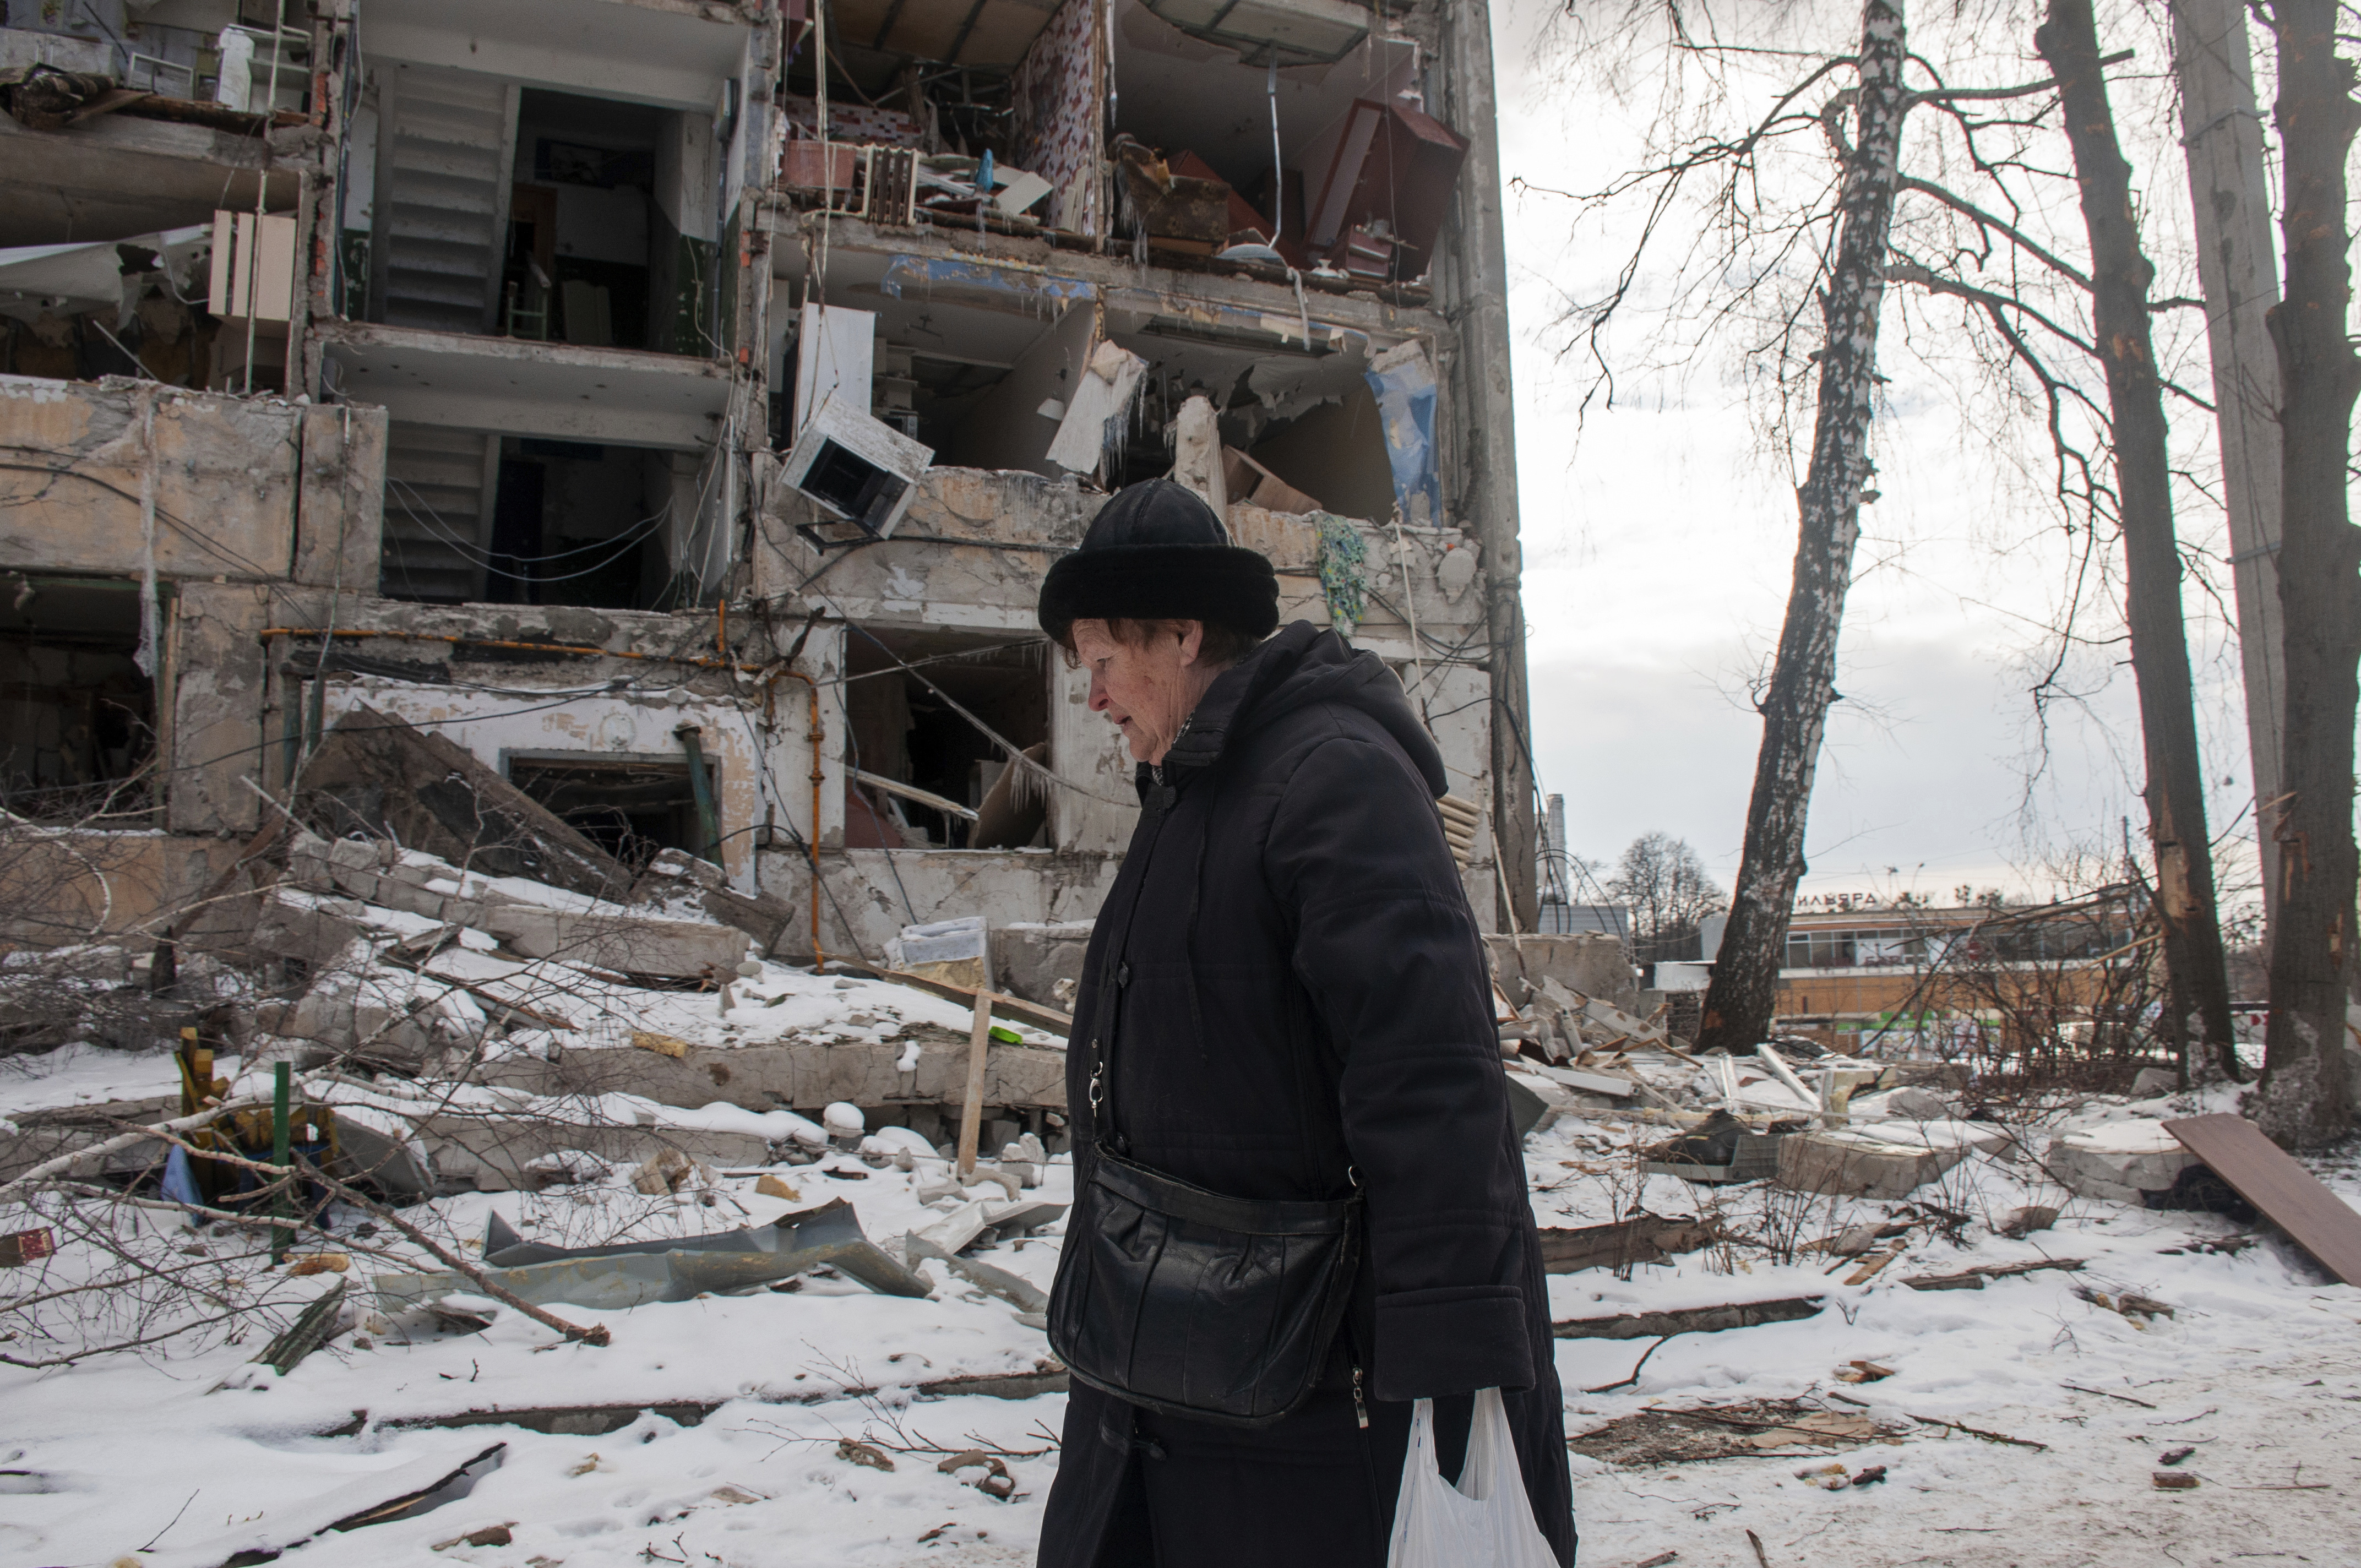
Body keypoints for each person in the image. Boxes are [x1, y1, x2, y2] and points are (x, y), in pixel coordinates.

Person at [1032, 480, 1574, 1567]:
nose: (1090, 696)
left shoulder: (1333, 779)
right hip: (1177, 1370)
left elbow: (1430, 1085)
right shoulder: (1197, 792)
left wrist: (1454, 1386)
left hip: (1315, 1400)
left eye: (1099, 660)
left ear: (1182, 634)